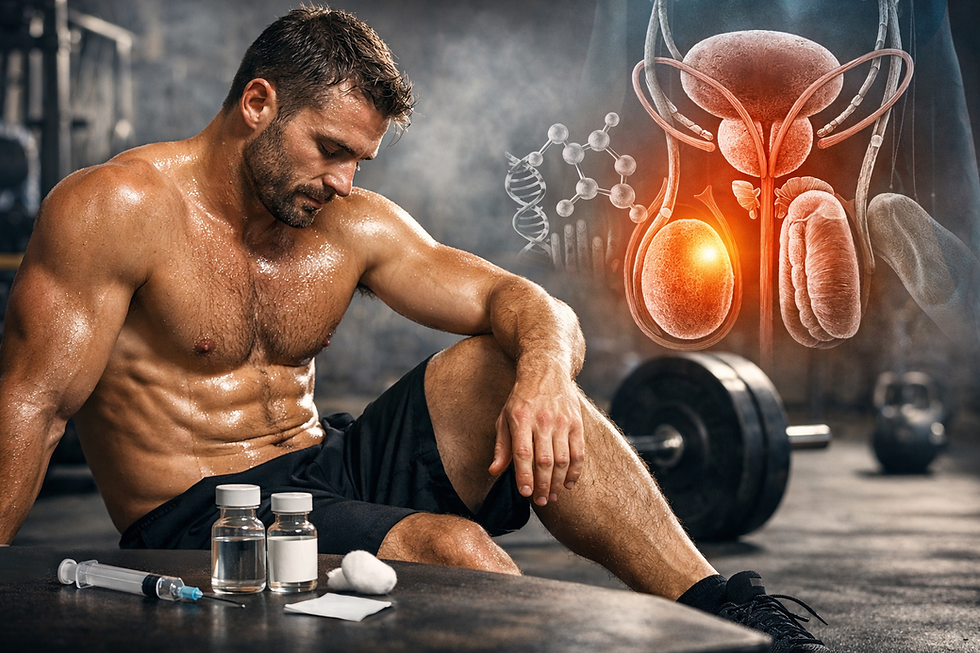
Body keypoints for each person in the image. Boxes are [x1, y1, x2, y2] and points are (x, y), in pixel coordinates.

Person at [0, 6, 829, 651]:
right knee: (454, 549)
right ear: (258, 103)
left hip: (323, 468)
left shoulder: (350, 223)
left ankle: (726, 614)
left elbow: (525, 300)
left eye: (360, 158)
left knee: (501, 364)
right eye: (328, 148)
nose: (343, 180)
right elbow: (31, 407)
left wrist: (543, 375)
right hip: (198, 517)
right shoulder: (116, 208)